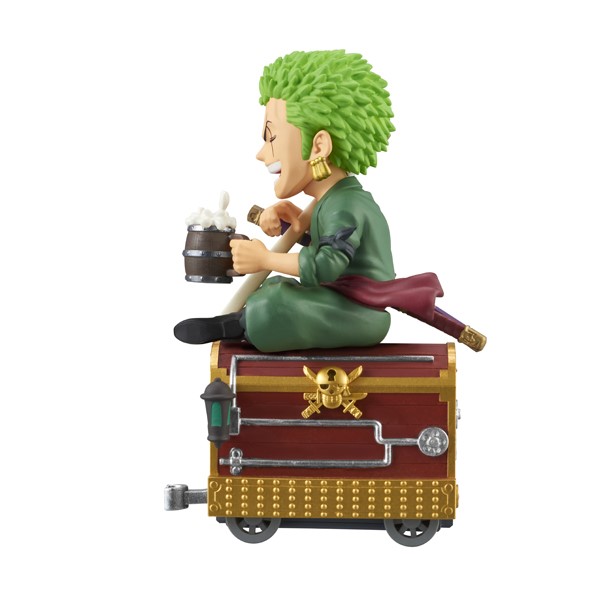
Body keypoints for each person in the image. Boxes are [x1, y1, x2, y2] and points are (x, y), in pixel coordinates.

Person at [174, 50, 485, 353]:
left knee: (274, 302)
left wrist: (265, 259)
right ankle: (238, 325)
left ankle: (231, 326)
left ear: (319, 146)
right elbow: (324, 241)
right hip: (338, 300)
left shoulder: (346, 205)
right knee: (274, 287)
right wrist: (292, 218)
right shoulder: (333, 200)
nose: (262, 153)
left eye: (272, 137)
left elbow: (325, 265)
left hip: (359, 312)